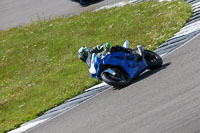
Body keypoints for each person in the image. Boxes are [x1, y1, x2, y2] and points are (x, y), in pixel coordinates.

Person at [78, 41, 144, 68]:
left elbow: (106, 44)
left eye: (85, 55)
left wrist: (105, 48)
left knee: (114, 48)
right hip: (105, 64)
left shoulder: (94, 49)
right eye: (83, 57)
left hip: (108, 56)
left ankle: (135, 52)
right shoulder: (90, 65)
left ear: (87, 51)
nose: (85, 57)